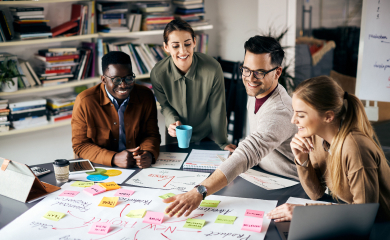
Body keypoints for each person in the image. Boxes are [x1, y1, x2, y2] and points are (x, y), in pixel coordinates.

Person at [163, 35, 298, 217]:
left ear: (278, 72)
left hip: (288, 187)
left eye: (259, 72)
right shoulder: (259, 92)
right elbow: (258, 142)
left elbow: (249, 152)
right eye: (246, 69)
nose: (250, 78)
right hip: (263, 176)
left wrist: (199, 191)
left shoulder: (279, 110)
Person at [267, 76, 390, 222]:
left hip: (380, 225)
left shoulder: (355, 149)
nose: (293, 120)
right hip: (351, 215)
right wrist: (302, 160)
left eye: (301, 115)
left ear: (328, 116)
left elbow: (363, 214)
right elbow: (316, 194)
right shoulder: (317, 137)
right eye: (294, 112)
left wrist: (305, 213)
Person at [150, 19, 236, 151]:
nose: (183, 51)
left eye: (187, 44)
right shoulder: (158, 73)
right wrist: (171, 122)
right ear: (166, 47)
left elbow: (217, 108)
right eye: (175, 46)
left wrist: (223, 143)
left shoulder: (212, 68)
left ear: (194, 42)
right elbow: (165, 105)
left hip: (210, 132)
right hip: (178, 134)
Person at [72, 51, 161, 169]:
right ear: (103, 79)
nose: (123, 85)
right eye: (116, 80)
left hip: (135, 166)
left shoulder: (146, 95)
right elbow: (80, 145)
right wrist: (114, 158)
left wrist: (148, 153)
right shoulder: (85, 101)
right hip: (99, 166)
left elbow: (151, 134)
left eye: (129, 78)